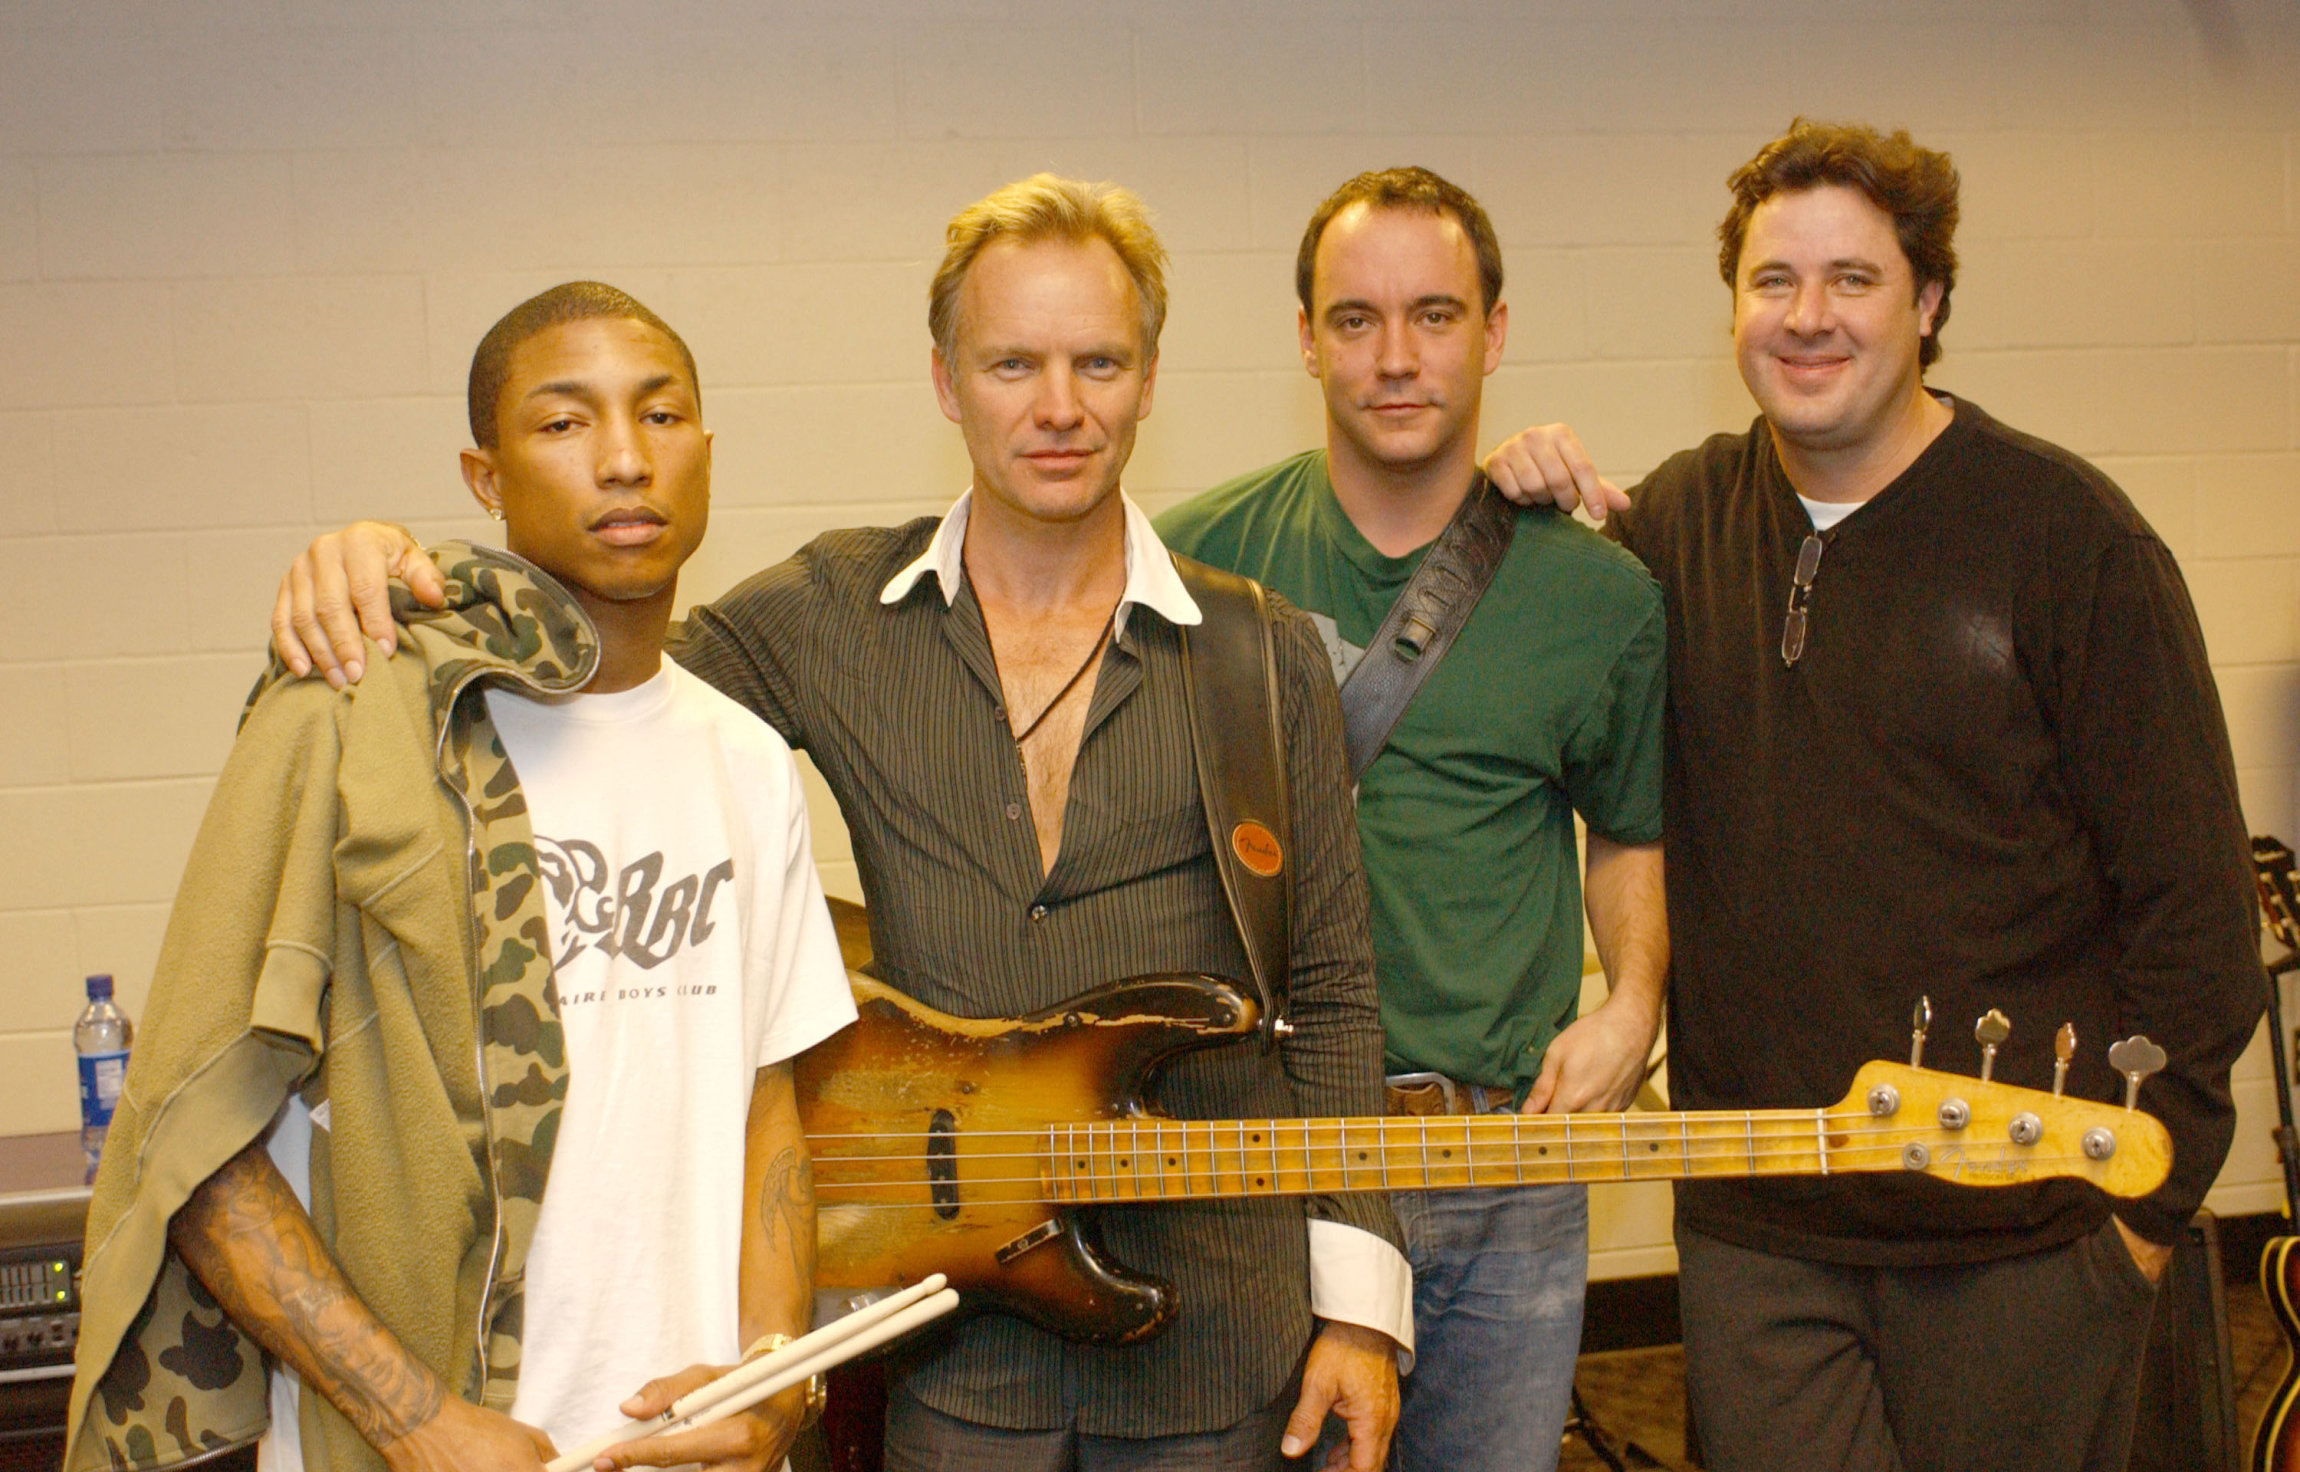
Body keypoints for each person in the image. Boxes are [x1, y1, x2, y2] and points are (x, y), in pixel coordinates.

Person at [254, 177, 1408, 1472]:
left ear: (1148, 378)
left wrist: (1361, 1314)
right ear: (945, 380)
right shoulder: (827, 616)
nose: (1059, 406)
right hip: (949, 1350)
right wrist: (395, 567)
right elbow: (587, 674)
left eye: (1099, 361)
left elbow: (1337, 990)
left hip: (1221, 1341)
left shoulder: (1259, 654)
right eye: (1012, 362)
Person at [1483, 119, 2263, 1472]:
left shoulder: (2071, 544)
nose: (1808, 317)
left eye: (1854, 280)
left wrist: (2144, 1220)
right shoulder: (1672, 527)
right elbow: (1523, 705)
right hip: (1758, 1237)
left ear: (1931, 303)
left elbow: (2193, 909)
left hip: (2023, 1236)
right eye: (1773, 281)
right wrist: (1508, 495)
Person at [66, 283, 859, 1472]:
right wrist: (417, 1422)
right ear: (483, 476)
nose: (624, 459)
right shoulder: (369, 730)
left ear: (704, 446)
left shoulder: (744, 756)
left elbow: (766, 1113)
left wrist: (773, 1374)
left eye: (660, 414)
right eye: (562, 422)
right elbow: (194, 1142)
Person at [1155, 167, 1666, 1472]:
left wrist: (1635, 1003)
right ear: (1305, 336)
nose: (1395, 357)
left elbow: (1628, 826)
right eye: (1355, 318)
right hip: (1270, 1170)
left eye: (1435, 316)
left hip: (1505, 1173)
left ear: (1494, 334)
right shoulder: (1189, 570)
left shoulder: (1597, 597)